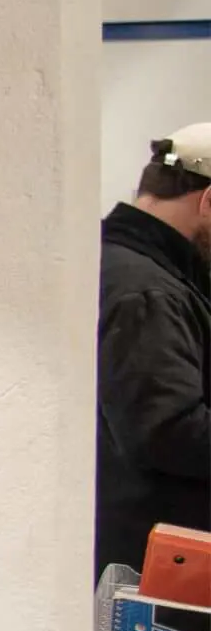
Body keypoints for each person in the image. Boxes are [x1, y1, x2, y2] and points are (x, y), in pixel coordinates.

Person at [97, 125, 211, 576]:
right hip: (149, 568)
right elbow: (168, 431)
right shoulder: (148, 291)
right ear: (207, 201)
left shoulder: (126, 268)